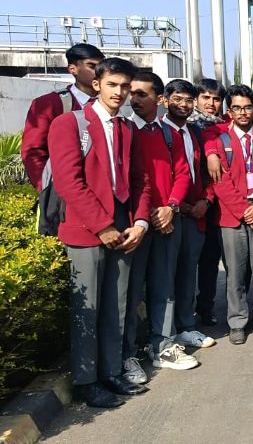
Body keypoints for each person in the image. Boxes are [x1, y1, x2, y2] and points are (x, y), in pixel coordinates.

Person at [48, 57, 151, 407]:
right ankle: (86, 380)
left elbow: (141, 180)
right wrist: (103, 226)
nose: (120, 93)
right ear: (97, 85)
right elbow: (68, 182)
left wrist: (140, 221)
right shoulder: (69, 124)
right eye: (113, 85)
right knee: (87, 309)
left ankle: (110, 371)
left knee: (117, 306)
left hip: (124, 228)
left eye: (125, 87)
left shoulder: (127, 129)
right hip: (86, 230)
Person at [123, 72, 196, 386]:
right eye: (132, 93)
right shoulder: (124, 131)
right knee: (128, 292)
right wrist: (146, 214)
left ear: (159, 99)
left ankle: (161, 345)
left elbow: (182, 172)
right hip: (135, 223)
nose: (134, 99)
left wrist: (171, 206)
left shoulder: (170, 134)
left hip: (168, 220)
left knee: (164, 287)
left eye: (142, 94)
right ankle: (126, 355)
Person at [208, 85, 253, 345]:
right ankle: (237, 321)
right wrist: (244, 211)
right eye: (236, 108)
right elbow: (220, 182)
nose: (242, 112)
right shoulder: (219, 138)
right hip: (233, 217)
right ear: (229, 111)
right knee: (235, 272)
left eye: (247, 107)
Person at [161, 80, 218, 350]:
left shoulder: (195, 132)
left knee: (187, 274)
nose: (183, 105)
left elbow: (207, 173)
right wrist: (177, 206)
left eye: (187, 100)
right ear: (165, 100)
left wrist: (206, 200)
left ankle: (186, 327)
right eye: (178, 99)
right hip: (169, 216)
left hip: (196, 214)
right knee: (166, 276)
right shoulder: (157, 131)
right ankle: (163, 334)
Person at [23, 43, 104, 191]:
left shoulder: (110, 105)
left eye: (101, 67)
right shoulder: (50, 103)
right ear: (73, 69)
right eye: (92, 66)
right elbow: (33, 151)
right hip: (64, 195)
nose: (98, 72)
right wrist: (47, 190)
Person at [194, 77, 227, 326]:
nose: (211, 103)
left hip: (217, 205)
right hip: (188, 206)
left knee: (210, 262)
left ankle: (206, 308)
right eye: (206, 97)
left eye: (216, 99)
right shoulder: (187, 126)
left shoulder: (225, 128)